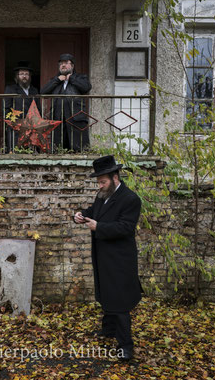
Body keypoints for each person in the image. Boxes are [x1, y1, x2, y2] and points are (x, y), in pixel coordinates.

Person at [73, 155, 143, 361]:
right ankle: (108, 330)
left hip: (120, 259)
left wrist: (99, 227)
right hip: (103, 255)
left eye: (102, 181)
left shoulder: (131, 199)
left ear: (115, 177)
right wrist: (80, 215)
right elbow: (94, 211)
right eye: (98, 182)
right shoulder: (103, 194)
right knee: (106, 294)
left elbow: (126, 227)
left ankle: (126, 346)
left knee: (119, 301)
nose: (100, 185)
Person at [40, 53, 92, 152]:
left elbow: (86, 87)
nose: (63, 65)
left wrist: (71, 78)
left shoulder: (81, 77)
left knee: (79, 148)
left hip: (76, 118)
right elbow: (43, 92)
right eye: (61, 63)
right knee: (59, 149)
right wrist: (57, 79)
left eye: (66, 63)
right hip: (58, 119)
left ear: (72, 65)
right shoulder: (56, 80)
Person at [3, 61, 39, 152]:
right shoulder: (10, 89)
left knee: (30, 150)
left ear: (30, 76)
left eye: (26, 74)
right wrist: (11, 122)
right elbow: (6, 107)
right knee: (15, 149)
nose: (24, 76)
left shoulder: (34, 90)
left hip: (31, 125)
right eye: (21, 74)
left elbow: (38, 108)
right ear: (17, 76)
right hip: (16, 125)